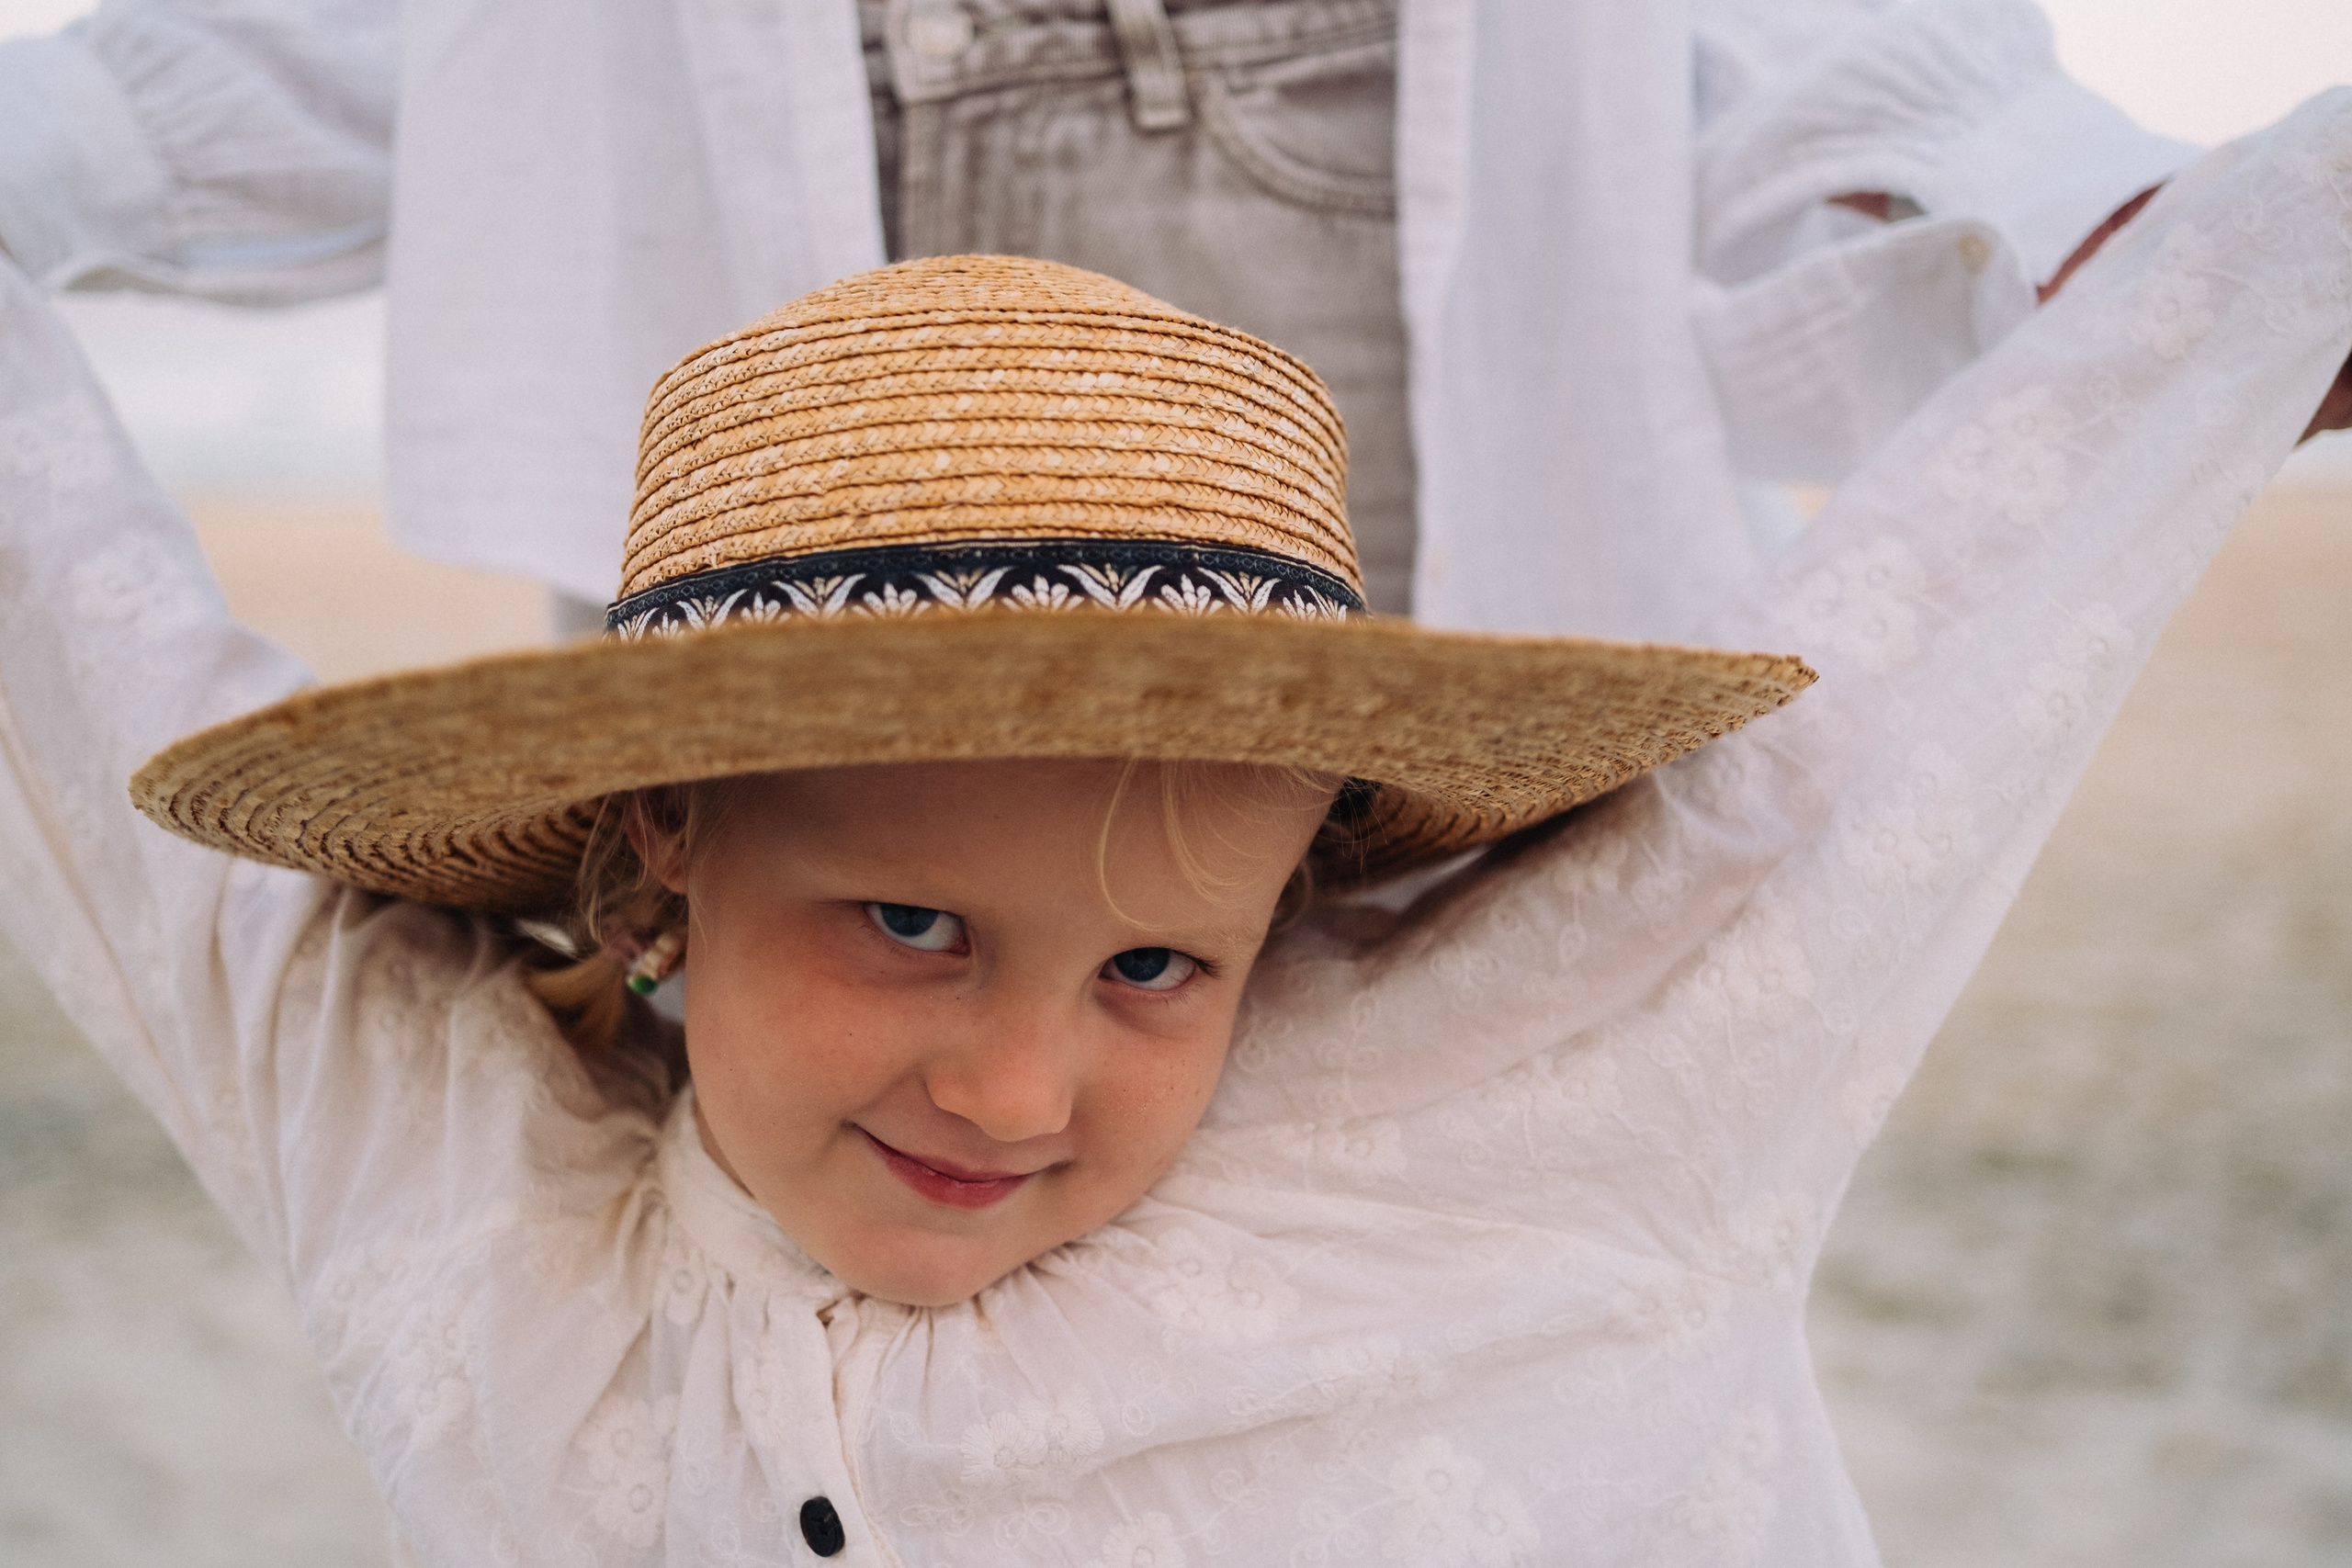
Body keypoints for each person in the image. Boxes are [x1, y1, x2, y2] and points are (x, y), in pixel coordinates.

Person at [7, 84, 2352, 1562]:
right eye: (909, 918)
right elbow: (69, 643)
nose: (1016, 1091)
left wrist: (2257, 266)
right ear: (661, 837)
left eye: (1157, 968)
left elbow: (1943, 620)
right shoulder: (434, 1148)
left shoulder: (1564, 1083)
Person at [0, 0, 2233, 633]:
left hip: (1360, 208)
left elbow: (1785, 50)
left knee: (1385, 1160)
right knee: (814, 1180)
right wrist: (60, 140)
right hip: (722, 376)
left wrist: (2066, 206)